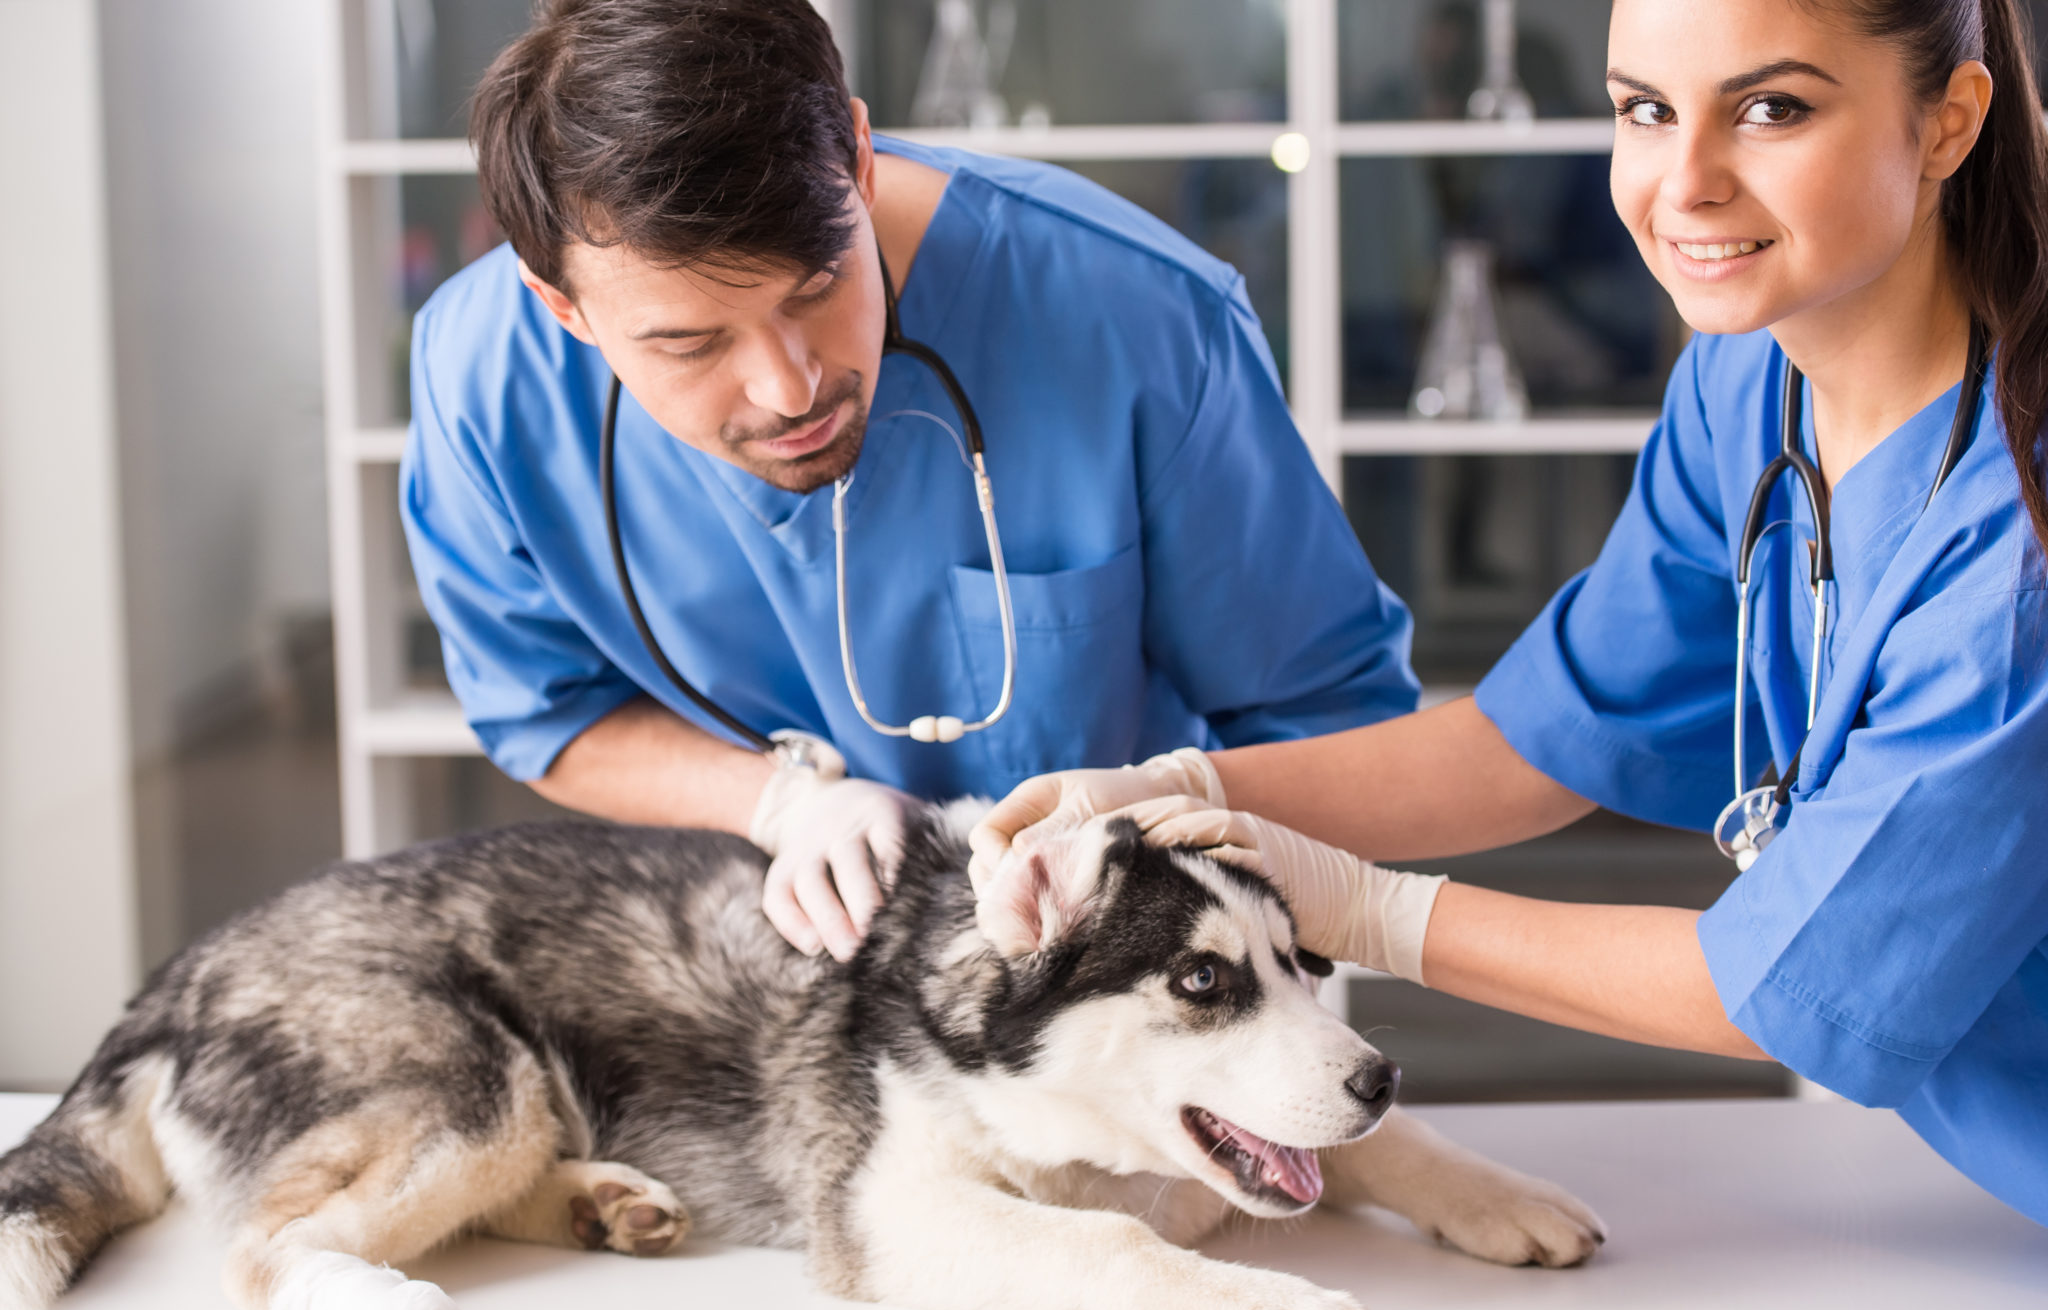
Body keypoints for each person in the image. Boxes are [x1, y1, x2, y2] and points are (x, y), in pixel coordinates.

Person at [973, 0, 2048, 1226]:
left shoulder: (2013, 561)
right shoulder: (1752, 374)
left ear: (1951, 120)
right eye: (1642, 109)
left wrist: (1373, 909)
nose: (1682, 182)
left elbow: (1792, 979)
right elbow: (1542, 733)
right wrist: (1194, 788)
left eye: (1771, 109)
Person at [401, 0, 1416, 962]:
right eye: (690, 342)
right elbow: (547, 713)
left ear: (858, 154)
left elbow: (1329, 720)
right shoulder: (483, 377)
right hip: (772, 975)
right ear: (560, 305)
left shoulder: (1135, 317)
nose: (790, 385)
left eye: (818, 287)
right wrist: (777, 802)